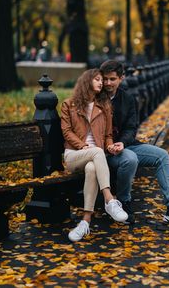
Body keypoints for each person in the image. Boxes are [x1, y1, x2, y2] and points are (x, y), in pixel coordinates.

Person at [99, 60, 169, 226]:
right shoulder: (95, 97)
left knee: (161, 155)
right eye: (105, 79)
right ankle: (123, 202)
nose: (108, 83)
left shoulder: (128, 99)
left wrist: (122, 143)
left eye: (112, 79)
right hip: (103, 152)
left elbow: (131, 128)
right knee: (129, 158)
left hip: (125, 146)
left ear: (121, 78)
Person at [61, 69, 128, 242]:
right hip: (73, 155)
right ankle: (110, 200)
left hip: (94, 159)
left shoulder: (104, 106)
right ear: (86, 81)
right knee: (97, 152)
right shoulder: (69, 104)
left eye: (102, 80)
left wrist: (110, 146)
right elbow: (66, 131)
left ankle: (85, 222)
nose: (102, 82)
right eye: (97, 79)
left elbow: (107, 136)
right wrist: (82, 145)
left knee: (92, 168)